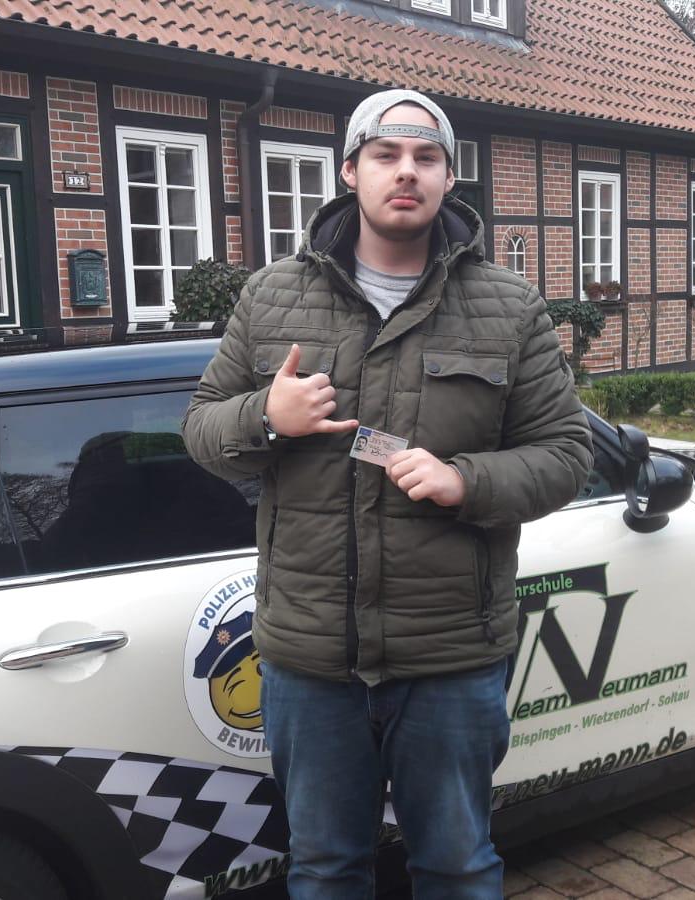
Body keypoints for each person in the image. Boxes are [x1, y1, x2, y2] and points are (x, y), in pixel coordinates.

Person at [182, 88, 592, 899]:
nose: (406, 172)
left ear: (448, 178)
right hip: (311, 661)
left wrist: (466, 479)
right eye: (386, 155)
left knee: (457, 866)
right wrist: (265, 416)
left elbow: (566, 453)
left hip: (450, 658)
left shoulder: (509, 308)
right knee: (326, 869)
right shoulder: (272, 295)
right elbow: (199, 429)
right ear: (351, 171)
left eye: (425, 157)